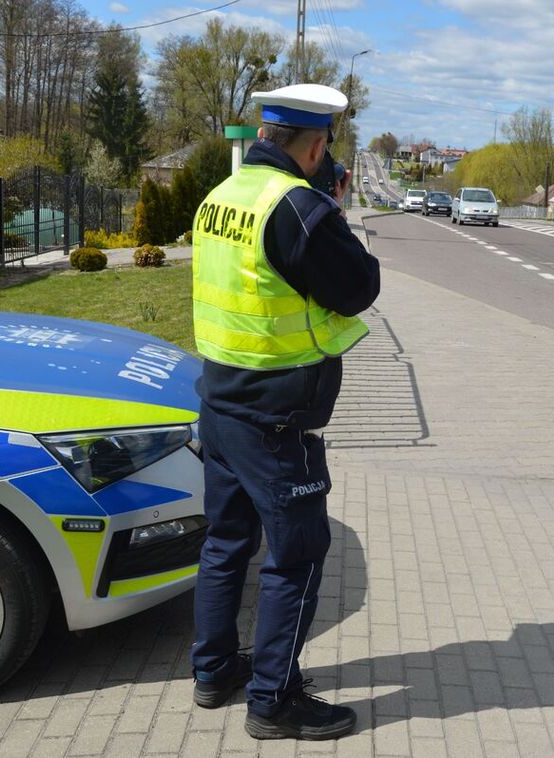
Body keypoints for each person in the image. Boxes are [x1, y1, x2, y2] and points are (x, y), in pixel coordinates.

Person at [188, 83, 380, 741]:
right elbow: (358, 287)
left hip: (219, 403)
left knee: (225, 543)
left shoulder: (223, 195)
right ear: (317, 146)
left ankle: (214, 672)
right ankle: (272, 700)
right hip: (274, 419)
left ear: (266, 135)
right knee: (297, 556)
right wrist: (335, 208)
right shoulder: (299, 208)